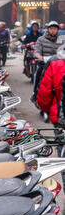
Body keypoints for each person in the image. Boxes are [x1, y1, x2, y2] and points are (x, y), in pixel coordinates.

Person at [37, 43, 65, 190]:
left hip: (61, 117)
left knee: (63, 156)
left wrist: (48, 109)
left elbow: (44, 93)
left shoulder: (55, 62)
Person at [32, 21, 64, 102]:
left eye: (55, 29)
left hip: (58, 66)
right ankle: (35, 93)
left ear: (57, 30)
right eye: (51, 28)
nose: (53, 30)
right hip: (44, 65)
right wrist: (39, 56)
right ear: (48, 29)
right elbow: (36, 51)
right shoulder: (41, 39)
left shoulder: (62, 40)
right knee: (38, 74)